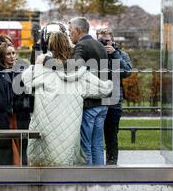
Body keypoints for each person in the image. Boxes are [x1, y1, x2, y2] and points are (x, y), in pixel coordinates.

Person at [21, 32, 113, 166]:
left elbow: (25, 78)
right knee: (79, 151)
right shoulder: (80, 73)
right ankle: (94, 182)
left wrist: (43, 59)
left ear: (50, 46)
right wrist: (110, 83)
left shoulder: (39, 69)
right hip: (69, 130)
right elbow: (104, 89)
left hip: (44, 127)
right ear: (69, 46)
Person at [68, 17, 109, 166]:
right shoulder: (99, 45)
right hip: (103, 102)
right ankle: (99, 181)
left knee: (85, 146)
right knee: (97, 144)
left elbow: (74, 70)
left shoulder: (81, 46)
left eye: (70, 31)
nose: (69, 34)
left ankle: (88, 181)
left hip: (89, 104)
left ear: (77, 30)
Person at [0, 43, 31, 165]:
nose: (11, 56)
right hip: (1, 117)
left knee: (21, 150)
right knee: (5, 153)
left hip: (18, 116)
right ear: (2, 56)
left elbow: (25, 94)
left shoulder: (21, 69)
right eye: (8, 54)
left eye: (13, 53)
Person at [96, 28, 132, 165]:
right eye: (102, 41)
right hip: (97, 98)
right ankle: (96, 164)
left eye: (107, 41)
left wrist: (115, 54)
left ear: (113, 40)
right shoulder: (94, 54)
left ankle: (112, 161)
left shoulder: (121, 54)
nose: (105, 44)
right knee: (96, 134)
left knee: (111, 134)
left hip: (114, 99)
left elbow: (127, 71)